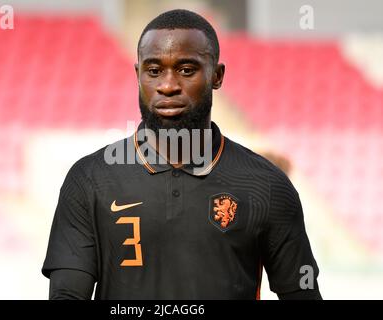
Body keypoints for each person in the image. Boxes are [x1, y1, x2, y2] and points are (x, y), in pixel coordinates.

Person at [42, 9, 321, 300]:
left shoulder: (268, 185)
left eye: (186, 70)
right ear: (138, 75)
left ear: (217, 75)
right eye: (153, 71)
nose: (168, 86)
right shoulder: (89, 180)